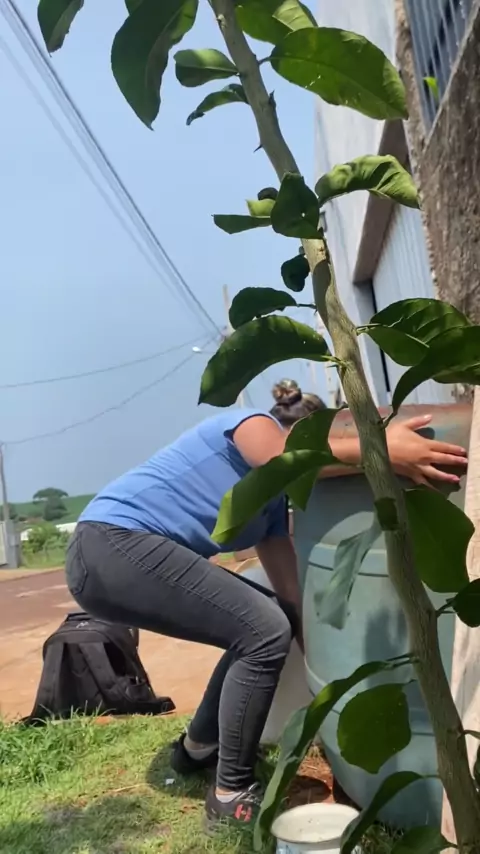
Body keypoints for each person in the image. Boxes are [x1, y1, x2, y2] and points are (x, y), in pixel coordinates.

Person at [65, 380, 467, 830]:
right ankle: (230, 793)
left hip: (117, 556)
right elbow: (280, 459)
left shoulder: (272, 506)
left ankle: (198, 748)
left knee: (263, 622)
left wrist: (323, 659)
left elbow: (290, 597)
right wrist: (380, 450)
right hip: (111, 543)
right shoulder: (251, 425)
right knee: (262, 629)